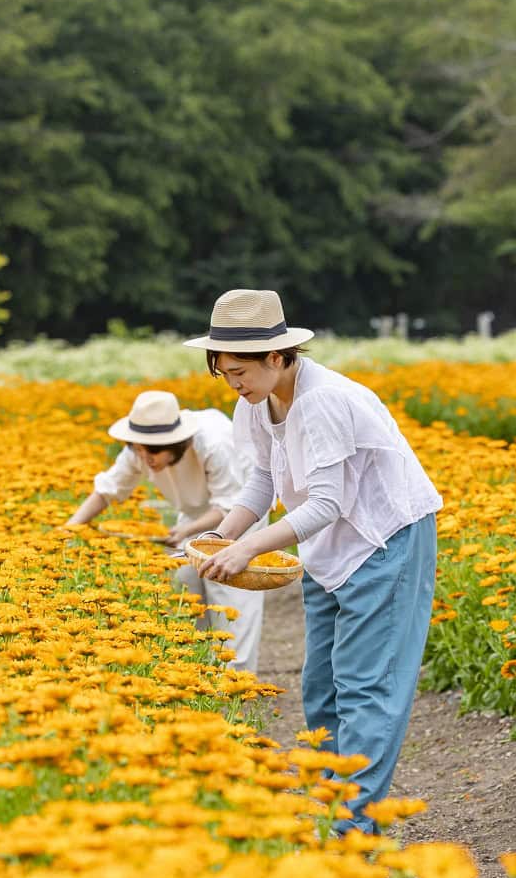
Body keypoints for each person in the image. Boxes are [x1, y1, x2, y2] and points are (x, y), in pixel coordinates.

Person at [186, 288, 442, 834]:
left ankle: (352, 830)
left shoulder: (323, 401)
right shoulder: (256, 403)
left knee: (365, 687)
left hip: (383, 539)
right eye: (223, 372)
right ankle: (332, 805)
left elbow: (328, 502)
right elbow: (260, 480)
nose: (232, 382)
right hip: (327, 545)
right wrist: (222, 535)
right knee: (320, 686)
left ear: (276, 356)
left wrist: (249, 547)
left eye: (240, 371)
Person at [64, 390, 265, 671]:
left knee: (230, 600)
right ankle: (198, 671)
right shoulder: (141, 448)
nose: (146, 458)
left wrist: (186, 531)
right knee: (185, 590)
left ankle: (236, 685)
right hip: (193, 516)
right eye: (139, 449)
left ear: (178, 442)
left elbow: (227, 506)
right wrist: (70, 527)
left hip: (241, 515)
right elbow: (107, 489)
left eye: (154, 451)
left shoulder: (215, 443)